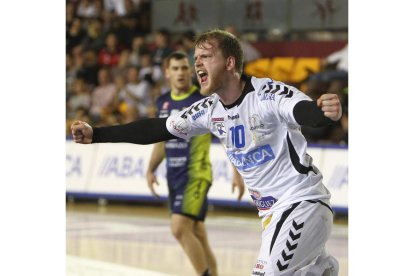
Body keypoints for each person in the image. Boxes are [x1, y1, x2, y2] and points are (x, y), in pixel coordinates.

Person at [72, 29, 342, 276]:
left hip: (302, 203)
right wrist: (98, 134)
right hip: (272, 216)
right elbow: (156, 129)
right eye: (196, 57)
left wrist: (323, 114)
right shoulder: (209, 110)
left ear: (230, 63)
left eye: (206, 56)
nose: (197, 63)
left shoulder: (267, 94)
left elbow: (302, 111)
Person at [146, 51, 244, 276]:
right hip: (174, 175)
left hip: (196, 174)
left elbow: (227, 136)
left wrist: (237, 173)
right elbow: (162, 140)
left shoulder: (204, 100)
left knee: (179, 229)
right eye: (176, 68)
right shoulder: (163, 102)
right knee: (197, 232)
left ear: (190, 72)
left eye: (184, 68)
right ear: (167, 73)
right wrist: (151, 168)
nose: (181, 73)